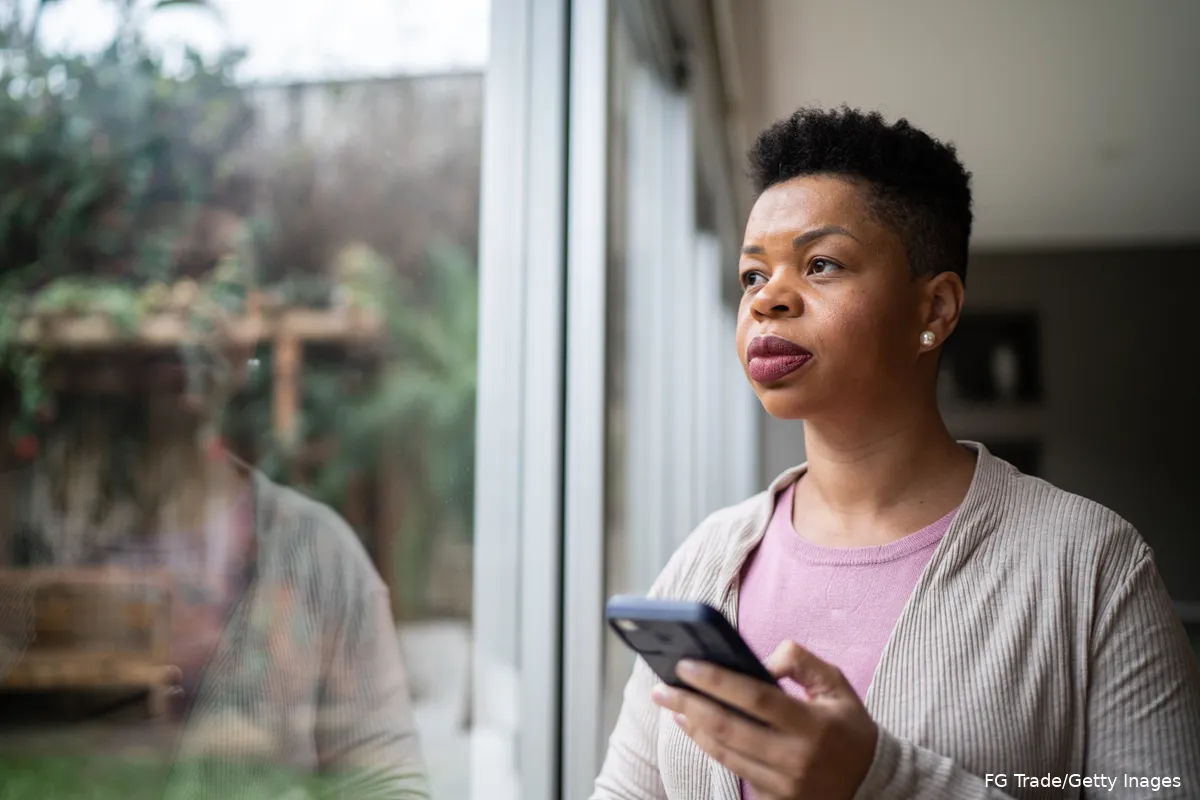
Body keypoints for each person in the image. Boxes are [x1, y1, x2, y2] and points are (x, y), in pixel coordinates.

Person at [591, 107, 1200, 799]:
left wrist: (877, 780)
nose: (767, 301)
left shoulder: (1091, 565)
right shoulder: (707, 559)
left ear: (935, 309)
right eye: (753, 276)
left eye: (821, 264)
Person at [0, 289, 430, 798]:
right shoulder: (14, 531)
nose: (163, 375)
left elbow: (385, 784)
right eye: (137, 355)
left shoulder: (315, 552)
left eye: (183, 349)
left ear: (237, 360)